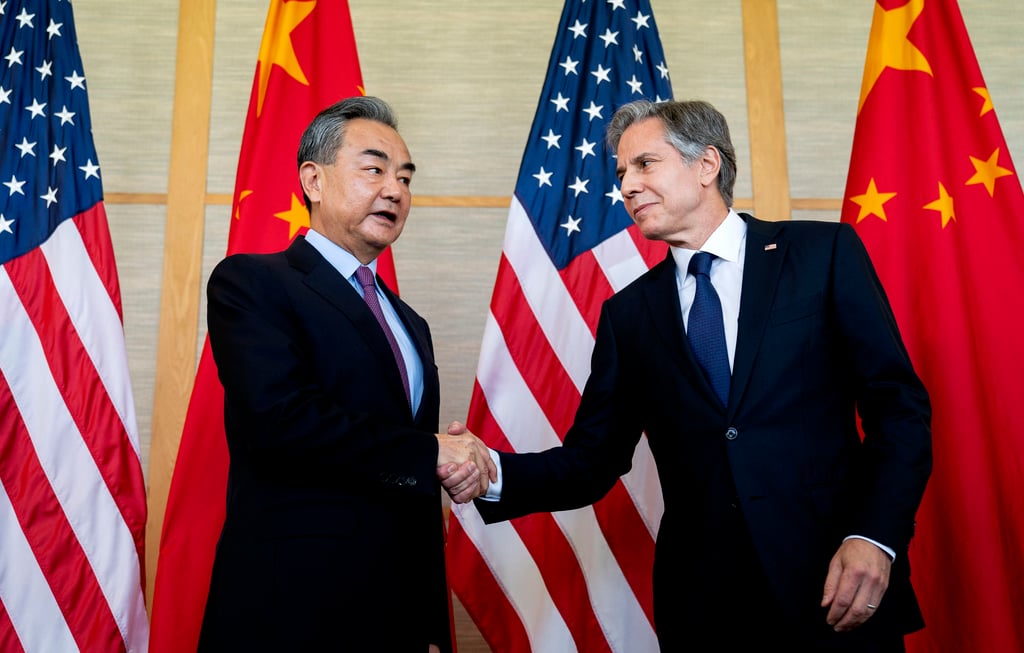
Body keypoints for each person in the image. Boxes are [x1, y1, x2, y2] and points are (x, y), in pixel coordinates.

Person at [443, 99, 932, 651]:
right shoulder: (628, 315)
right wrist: (491, 472)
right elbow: (591, 462)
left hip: (834, 585)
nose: (626, 186)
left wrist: (876, 536)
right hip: (706, 607)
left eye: (645, 164)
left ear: (706, 165)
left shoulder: (821, 254)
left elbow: (899, 411)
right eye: (621, 172)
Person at [197, 96, 495, 653]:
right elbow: (279, 419)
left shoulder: (409, 322)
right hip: (290, 610)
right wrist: (427, 451)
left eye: (405, 178)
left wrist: (430, 623)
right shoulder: (253, 283)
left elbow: (412, 490)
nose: (395, 190)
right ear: (313, 179)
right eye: (375, 169)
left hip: (396, 620)